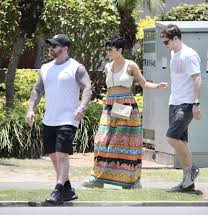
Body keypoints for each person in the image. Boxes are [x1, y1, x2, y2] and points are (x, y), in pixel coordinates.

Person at [82, 36, 168, 189]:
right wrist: (105, 107)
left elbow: (144, 83)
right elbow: (109, 89)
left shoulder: (131, 65)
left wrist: (158, 86)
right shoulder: (108, 67)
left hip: (126, 108)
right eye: (106, 49)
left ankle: (130, 181)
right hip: (109, 107)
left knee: (124, 144)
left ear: (120, 50)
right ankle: (98, 178)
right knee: (101, 141)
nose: (107, 52)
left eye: (110, 49)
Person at [25, 34, 92, 205]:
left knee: (62, 155)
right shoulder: (45, 68)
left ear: (64, 49)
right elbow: (37, 91)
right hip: (50, 119)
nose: (51, 48)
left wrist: (82, 107)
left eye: (54, 46)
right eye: (51, 46)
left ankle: (57, 190)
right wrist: (30, 110)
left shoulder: (76, 67)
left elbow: (87, 88)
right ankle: (67, 189)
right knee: (53, 155)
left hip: (68, 119)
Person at [160, 24, 202, 191]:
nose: (165, 45)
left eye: (166, 42)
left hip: (186, 103)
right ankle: (188, 182)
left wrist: (196, 103)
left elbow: (197, 78)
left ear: (176, 38)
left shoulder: (189, 55)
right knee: (181, 140)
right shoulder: (173, 53)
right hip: (174, 102)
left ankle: (192, 170)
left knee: (171, 137)